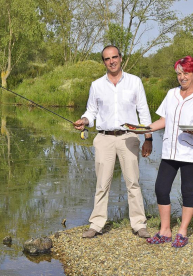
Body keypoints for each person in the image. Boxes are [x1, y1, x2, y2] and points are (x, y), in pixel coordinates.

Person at [73, 45, 153, 239]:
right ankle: (97, 224)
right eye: (107, 59)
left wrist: (148, 138)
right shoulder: (96, 85)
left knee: (133, 182)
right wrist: (84, 121)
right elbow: (91, 111)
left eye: (114, 57)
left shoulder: (134, 82)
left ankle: (139, 224)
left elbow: (143, 111)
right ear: (104, 62)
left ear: (121, 58)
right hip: (104, 138)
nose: (112, 61)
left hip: (129, 137)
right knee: (102, 183)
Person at [146, 56, 193, 247]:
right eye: (179, 73)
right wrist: (144, 128)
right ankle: (164, 230)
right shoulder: (171, 94)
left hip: (190, 151)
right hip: (169, 150)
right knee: (161, 188)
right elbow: (164, 120)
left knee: (187, 190)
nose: (182, 77)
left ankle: (182, 232)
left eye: (186, 73)